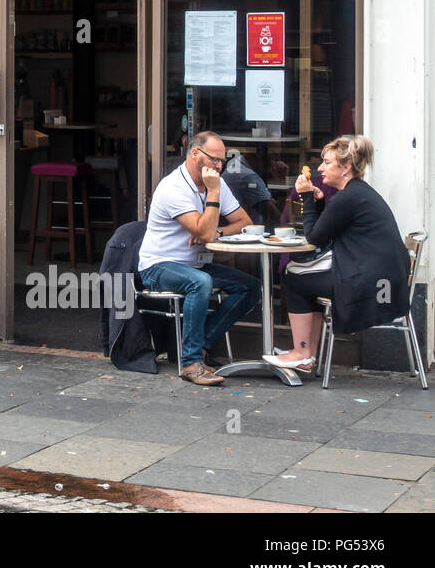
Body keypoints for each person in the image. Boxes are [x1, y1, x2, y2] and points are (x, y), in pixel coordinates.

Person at [270, 135, 410, 372]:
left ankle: (302, 353)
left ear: (346, 168)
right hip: (384, 277)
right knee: (300, 273)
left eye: (326, 162)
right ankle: (306, 355)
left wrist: (306, 198)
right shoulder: (357, 193)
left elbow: (315, 238)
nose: (320, 168)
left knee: (294, 277)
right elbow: (331, 228)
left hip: (371, 284)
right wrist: (320, 204)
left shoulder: (348, 197)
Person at [136, 131, 261, 386]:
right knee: (200, 282)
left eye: (222, 161)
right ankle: (191, 364)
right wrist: (213, 196)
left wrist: (217, 232)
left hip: (194, 264)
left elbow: (243, 222)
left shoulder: (215, 182)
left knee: (250, 286)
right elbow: (203, 231)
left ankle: (201, 344)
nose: (219, 166)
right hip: (158, 266)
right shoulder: (174, 187)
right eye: (214, 159)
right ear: (194, 154)